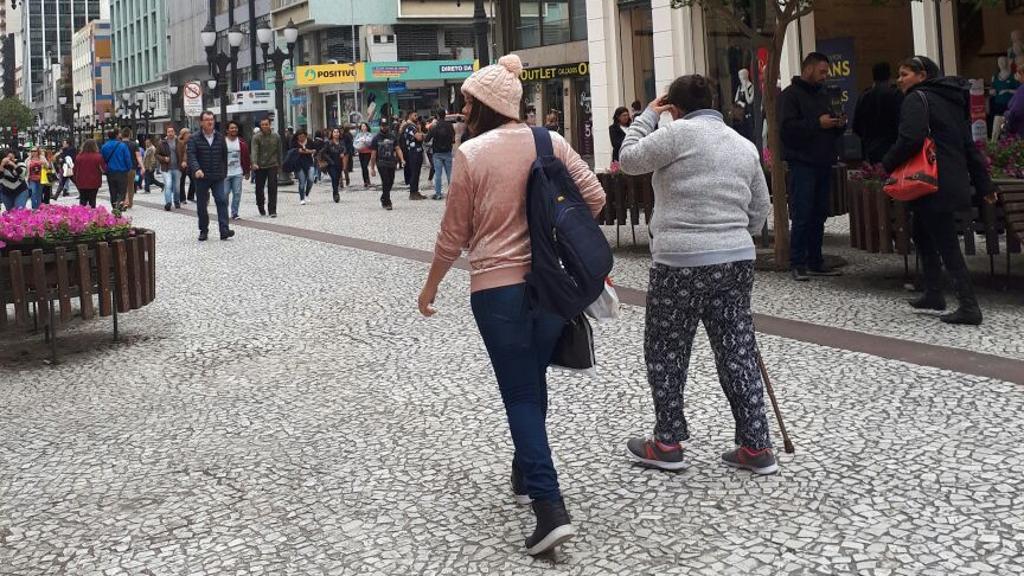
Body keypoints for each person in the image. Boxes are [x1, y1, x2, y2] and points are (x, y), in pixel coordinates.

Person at [417, 54, 605, 557]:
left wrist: (431, 286)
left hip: (496, 291)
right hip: (551, 287)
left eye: (466, 102)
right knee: (531, 379)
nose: (462, 109)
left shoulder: (473, 154)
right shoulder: (551, 141)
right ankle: (526, 471)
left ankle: (549, 509)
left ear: (483, 105)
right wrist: (552, 231)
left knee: (520, 392)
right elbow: (595, 198)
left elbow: (453, 232)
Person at [617, 74, 776, 475]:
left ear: (674, 106)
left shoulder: (677, 135)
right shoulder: (743, 145)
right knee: (737, 348)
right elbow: (760, 207)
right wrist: (736, 234)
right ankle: (756, 446)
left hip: (680, 261)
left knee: (667, 348)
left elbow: (629, 159)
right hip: (735, 258)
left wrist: (647, 116)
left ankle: (668, 441)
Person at [882, 56, 993, 326]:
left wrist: (887, 163)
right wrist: (983, 184)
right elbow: (969, 146)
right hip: (949, 180)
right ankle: (933, 292)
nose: (899, 79)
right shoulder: (951, 100)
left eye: (904, 74)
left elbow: (911, 137)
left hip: (929, 182)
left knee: (945, 242)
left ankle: (969, 306)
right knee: (922, 232)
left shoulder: (916, 99)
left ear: (922, 75)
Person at [779, 52, 846, 281]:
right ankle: (797, 262)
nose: (825, 76)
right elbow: (787, 129)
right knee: (802, 214)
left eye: (827, 72)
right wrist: (817, 124)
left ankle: (816, 260)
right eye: (822, 72)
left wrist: (838, 124)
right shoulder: (790, 96)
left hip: (824, 161)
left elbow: (832, 128)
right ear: (808, 69)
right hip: (802, 162)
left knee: (819, 213)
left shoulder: (825, 94)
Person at [187, 110, 235, 242]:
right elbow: (191, 155)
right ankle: (203, 230)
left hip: (217, 176)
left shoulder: (220, 137)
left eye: (212, 119)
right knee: (202, 204)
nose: (210, 122)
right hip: (201, 177)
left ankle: (224, 230)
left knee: (221, 200)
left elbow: (224, 156)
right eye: (207, 119)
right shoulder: (194, 138)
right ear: (201, 122)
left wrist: (224, 172)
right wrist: (197, 169)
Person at [853, 62, 904, 164]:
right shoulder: (896, 95)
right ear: (889, 76)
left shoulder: (864, 96)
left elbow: (856, 126)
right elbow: (901, 123)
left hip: (870, 151)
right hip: (892, 149)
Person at [251, 116, 282, 217]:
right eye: (262, 125)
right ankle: (260, 205)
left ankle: (272, 210)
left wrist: (280, 164)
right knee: (259, 188)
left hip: (272, 164)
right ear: (260, 126)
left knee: (273, 187)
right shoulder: (256, 137)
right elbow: (254, 151)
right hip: (260, 166)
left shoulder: (276, 136)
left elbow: (279, 151)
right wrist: (254, 163)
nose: (264, 126)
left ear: (270, 125)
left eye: (266, 124)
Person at [369, 121, 404, 210]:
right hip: (381, 163)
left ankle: (383, 196)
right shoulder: (376, 138)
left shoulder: (392, 136)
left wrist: (402, 159)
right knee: (385, 181)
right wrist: (372, 168)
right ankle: (387, 202)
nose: (384, 127)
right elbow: (373, 154)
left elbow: (398, 148)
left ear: (388, 126)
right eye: (382, 126)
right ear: (380, 126)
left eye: (385, 125)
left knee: (391, 181)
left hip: (392, 162)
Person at [100, 129, 134, 210]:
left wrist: (105, 170)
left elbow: (102, 160)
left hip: (110, 172)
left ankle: (115, 206)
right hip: (122, 172)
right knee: (122, 192)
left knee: (113, 192)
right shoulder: (122, 146)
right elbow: (127, 159)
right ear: (116, 135)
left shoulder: (104, 146)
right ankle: (118, 206)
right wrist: (129, 168)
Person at [224, 120, 251, 219]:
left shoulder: (241, 143)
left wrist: (247, 171)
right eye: (231, 128)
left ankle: (234, 212)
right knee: (225, 193)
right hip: (225, 172)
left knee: (237, 193)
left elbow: (246, 157)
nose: (234, 129)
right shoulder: (223, 142)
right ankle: (224, 212)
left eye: (235, 128)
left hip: (238, 172)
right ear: (227, 130)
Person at [428, 109, 455, 200]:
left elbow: (427, 138)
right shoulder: (450, 125)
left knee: (438, 174)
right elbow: (453, 138)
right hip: (447, 152)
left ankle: (438, 194)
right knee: (449, 174)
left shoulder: (435, 126)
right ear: (445, 115)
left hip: (437, 153)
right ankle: (452, 194)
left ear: (438, 116)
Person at [72, 139, 106, 208]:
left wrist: (76, 179)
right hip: (94, 182)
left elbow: (74, 170)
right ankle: (92, 215)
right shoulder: (98, 156)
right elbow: (103, 170)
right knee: (92, 200)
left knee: (82, 200)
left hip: (81, 182)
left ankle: (81, 215)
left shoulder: (79, 156)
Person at [403, 112, 427, 200]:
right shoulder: (410, 127)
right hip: (413, 152)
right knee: (414, 172)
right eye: (415, 115)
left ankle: (416, 191)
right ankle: (413, 193)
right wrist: (423, 135)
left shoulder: (414, 126)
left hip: (417, 151)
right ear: (409, 116)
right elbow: (419, 137)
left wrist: (420, 132)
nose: (416, 117)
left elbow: (420, 135)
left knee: (417, 172)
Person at [291, 129, 319, 205]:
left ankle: (307, 193)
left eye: (303, 136)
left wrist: (307, 151)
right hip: (298, 164)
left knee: (311, 179)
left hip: (309, 163)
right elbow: (296, 151)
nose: (301, 138)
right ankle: (302, 198)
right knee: (302, 182)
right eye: (299, 137)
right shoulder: (294, 142)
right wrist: (309, 151)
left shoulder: (309, 141)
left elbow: (315, 150)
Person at [156, 126, 180, 211]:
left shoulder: (178, 142)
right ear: (166, 133)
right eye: (169, 131)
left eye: (172, 131)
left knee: (177, 187)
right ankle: (168, 203)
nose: (170, 133)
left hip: (177, 167)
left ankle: (177, 201)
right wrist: (164, 159)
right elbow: (157, 154)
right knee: (168, 184)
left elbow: (184, 152)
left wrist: (184, 161)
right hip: (166, 168)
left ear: (174, 132)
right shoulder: (162, 143)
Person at [320, 127, 347, 203]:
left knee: (337, 178)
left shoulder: (342, 142)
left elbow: (345, 149)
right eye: (334, 132)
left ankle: (335, 191)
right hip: (331, 163)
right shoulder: (328, 142)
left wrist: (343, 153)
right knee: (334, 177)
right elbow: (324, 153)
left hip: (339, 163)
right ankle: (336, 193)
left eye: (337, 132)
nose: (336, 133)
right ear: (332, 134)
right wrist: (329, 160)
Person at [1003, 63, 1024, 136]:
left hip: (1020, 131)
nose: (1015, 75)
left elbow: (1017, 111)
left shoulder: (1022, 89)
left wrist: (1006, 115)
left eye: (1017, 73)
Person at [353, 122, 374, 189]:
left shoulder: (370, 134)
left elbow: (371, 142)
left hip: (367, 152)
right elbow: (355, 142)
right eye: (362, 126)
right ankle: (365, 181)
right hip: (361, 152)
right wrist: (358, 144)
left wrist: (366, 141)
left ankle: (367, 181)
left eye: (364, 126)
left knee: (365, 166)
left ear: (367, 127)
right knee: (363, 167)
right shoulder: (358, 135)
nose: (363, 128)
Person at [178, 128, 195, 205]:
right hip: (182, 165)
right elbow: (182, 154)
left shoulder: (191, 143)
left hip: (190, 165)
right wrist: (183, 161)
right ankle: (182, 198)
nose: (189, 135)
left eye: (189, 133)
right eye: (187, 133)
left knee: (194, 180)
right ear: (183, 135)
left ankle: (190, 196)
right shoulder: (180, 143)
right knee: (181, 182)